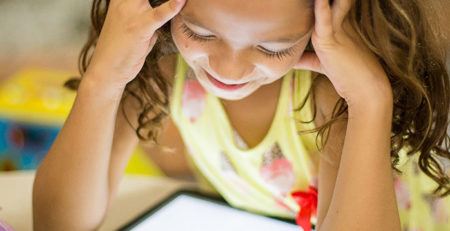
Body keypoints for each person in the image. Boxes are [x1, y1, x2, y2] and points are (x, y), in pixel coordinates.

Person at [32, 0, 450, 230]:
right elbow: (58, 224)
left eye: (273, 48)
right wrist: (102, 80)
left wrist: (370, 99)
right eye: (199, 33)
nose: (227, 71)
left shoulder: (331, 95)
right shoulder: (161, 66)